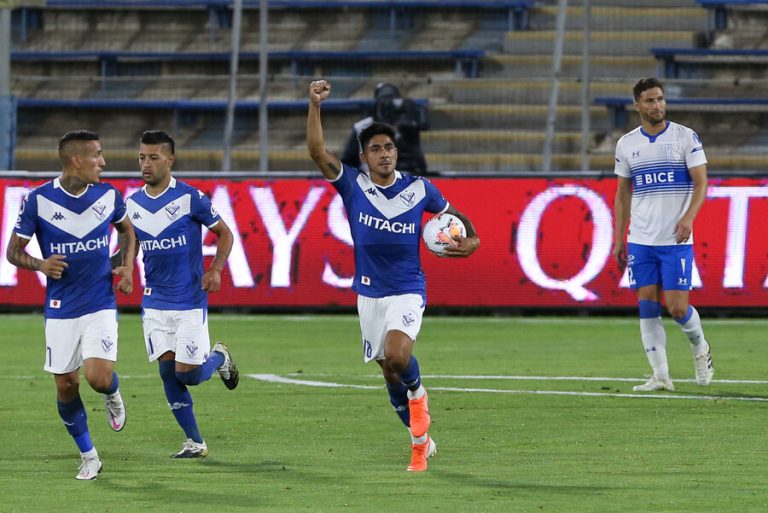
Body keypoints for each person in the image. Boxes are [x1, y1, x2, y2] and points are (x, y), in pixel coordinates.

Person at [307, 80, 479, 472]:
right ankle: (422, 439)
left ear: (396, 152)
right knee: (388, 371)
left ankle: (419, 396)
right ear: (364, 157)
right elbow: (317, 151)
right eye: (375, 149)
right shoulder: (353, 185)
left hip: (407, 288)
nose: (384, 154)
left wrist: (473, 242)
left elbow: (461, 221)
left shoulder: (420, 189)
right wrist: (314, 104)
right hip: (369, 294)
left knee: (400, 357)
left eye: (389, 147)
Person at [6, 130, 136, 480]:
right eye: (98, 155)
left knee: (97, 376)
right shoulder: (37, 201)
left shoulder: (109, 196)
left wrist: (126, 264)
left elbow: (127, 232)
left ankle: (112, 392)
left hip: (99, 300)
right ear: (76, 160)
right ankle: (89, 455)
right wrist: (40, 265)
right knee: (66, 384)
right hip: (61, 305)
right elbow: (13, 252)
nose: (103, 162)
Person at [124, 130, 239, 458]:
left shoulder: (191, 198)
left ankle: (218, 357)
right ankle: (195, 442)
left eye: (153, 157)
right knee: (166, 371)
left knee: (187, 375)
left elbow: (225, 234)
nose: (146, 164)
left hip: (189, 299)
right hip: (154, 300)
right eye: (142, 157)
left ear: (170, 160)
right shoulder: (131, 205)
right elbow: (129, 247)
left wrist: (215, 268)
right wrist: (123, 269)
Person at [613, 77, 715, 392]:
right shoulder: (627, 144)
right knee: (646, 304)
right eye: (650, 101)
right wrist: (619, 238)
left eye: (660, 99)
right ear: (637, 105)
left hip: (675, 240)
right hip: (641, 240)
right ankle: (660, 375)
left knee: (677, 308)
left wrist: (689, 217)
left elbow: (701, 183)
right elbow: (622, 194)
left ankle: (701, 349)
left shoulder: (685, 137)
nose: (657, 106)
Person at [341, 82, 429, 176]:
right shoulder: (361, 127)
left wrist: (408, 129)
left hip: (404, 182)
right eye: (384, 102)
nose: (388, 109)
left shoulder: (406, 128)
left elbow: (419, 164)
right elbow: (347, 162)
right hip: (370, 183)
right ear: (376, 104)